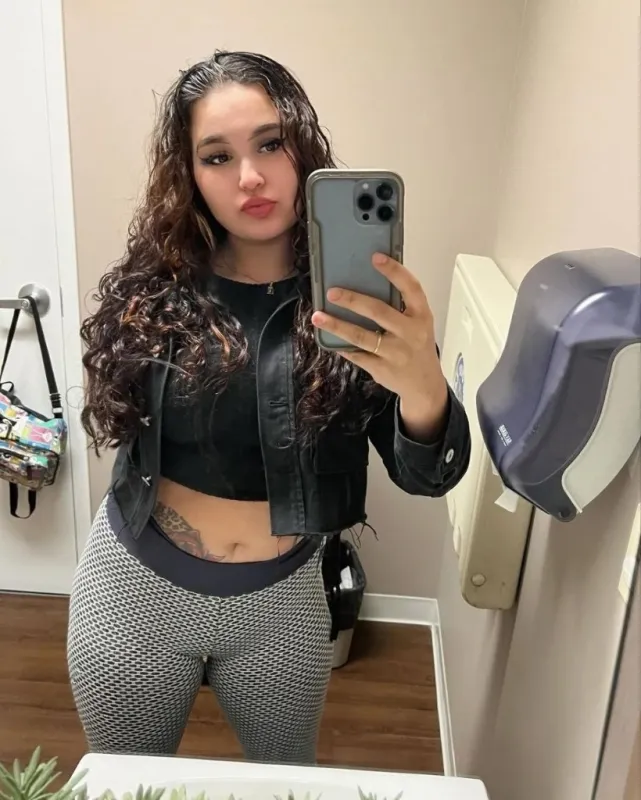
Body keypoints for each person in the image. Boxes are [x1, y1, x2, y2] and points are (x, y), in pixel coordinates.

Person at [66, 50, 471, 765]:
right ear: (190, 175)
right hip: (133, 595)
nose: (249, 177)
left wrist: (423, 386)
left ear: (301, 148)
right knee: (127, 783)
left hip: (280, 608)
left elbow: (427, 476)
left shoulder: (361, 308)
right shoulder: (158, 291)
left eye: (269, 144)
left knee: (287, 781)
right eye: (217, 157)